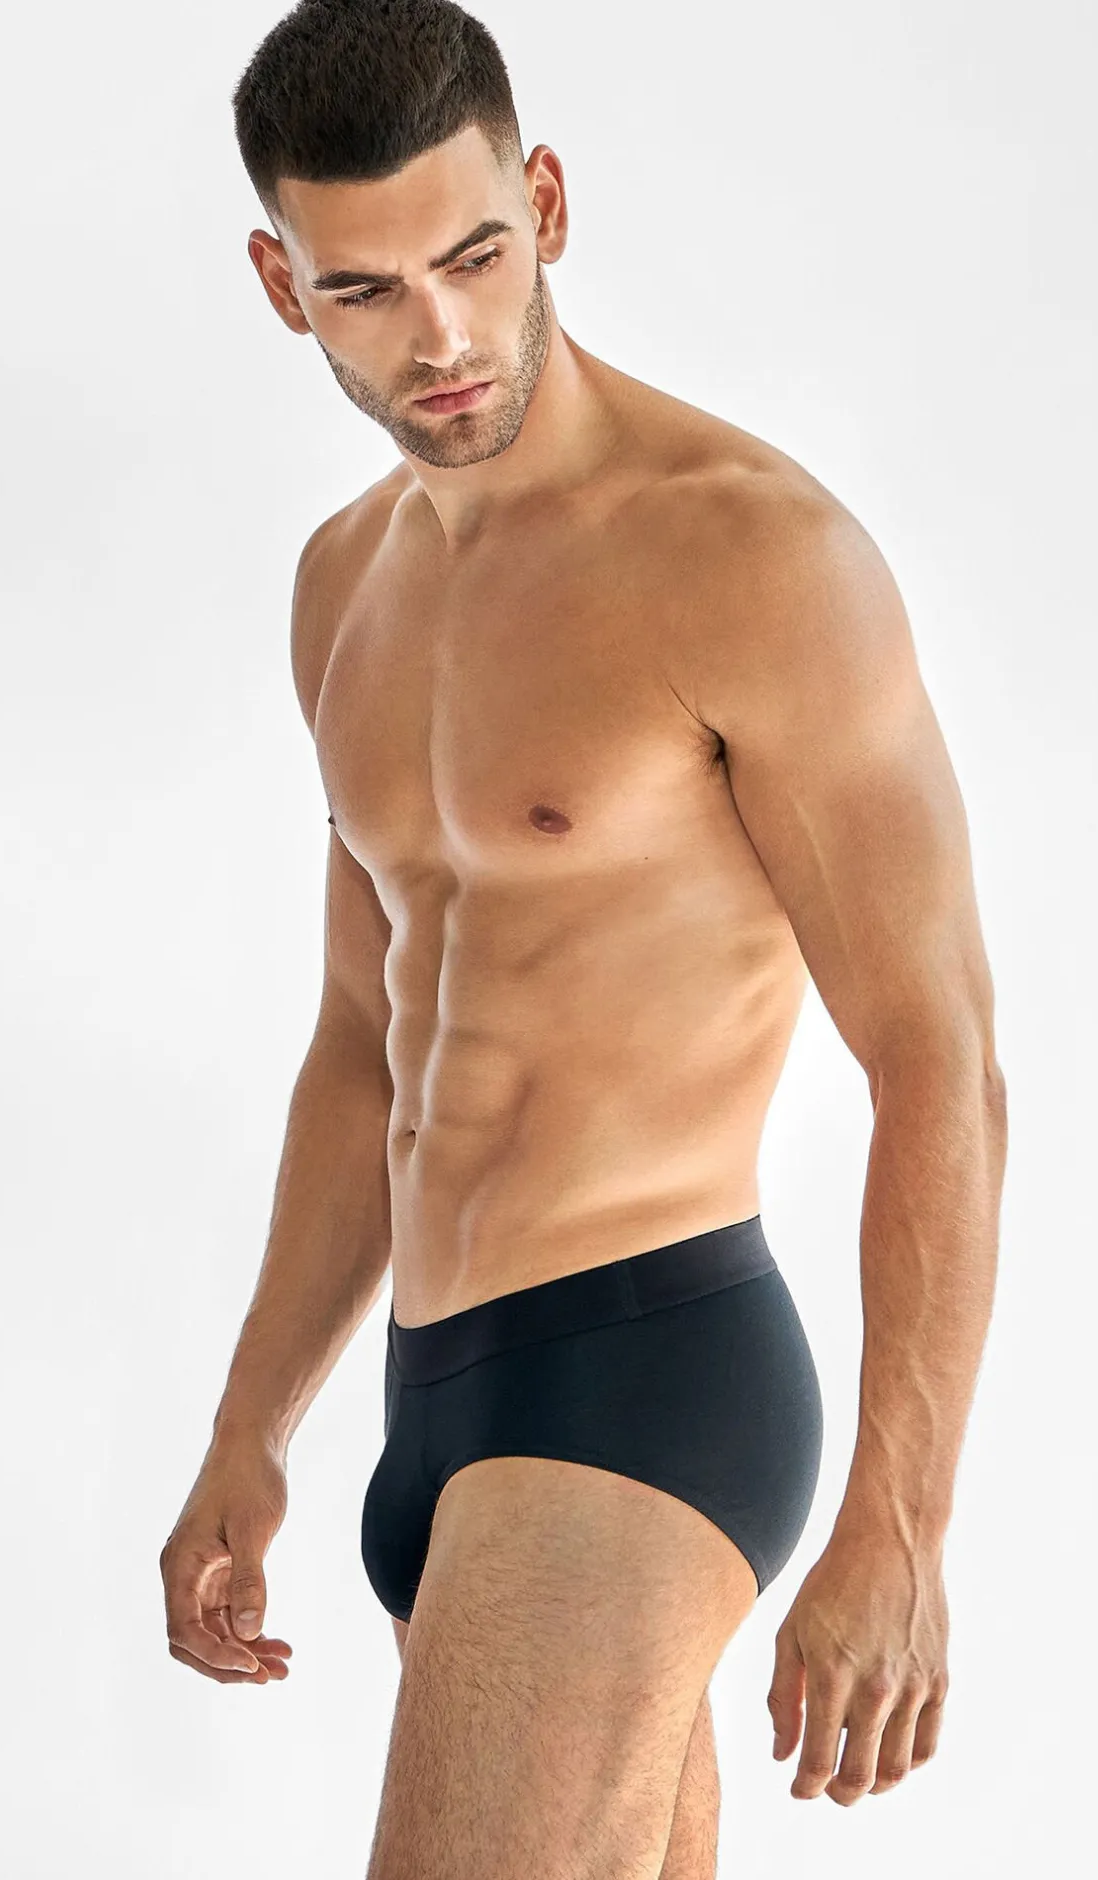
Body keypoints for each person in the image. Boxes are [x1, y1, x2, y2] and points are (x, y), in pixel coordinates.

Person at [158, 3, 1008, 1872]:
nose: (442, 337)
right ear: (284, 288)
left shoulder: (750, 557)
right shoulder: (341, 590)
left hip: (646, 1363)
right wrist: (255, 1423)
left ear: (544, 201)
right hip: (433, 1392)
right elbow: (363, 1044)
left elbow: (938, 1052)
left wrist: (904, 1527)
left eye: (474, 255)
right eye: (366, 289)